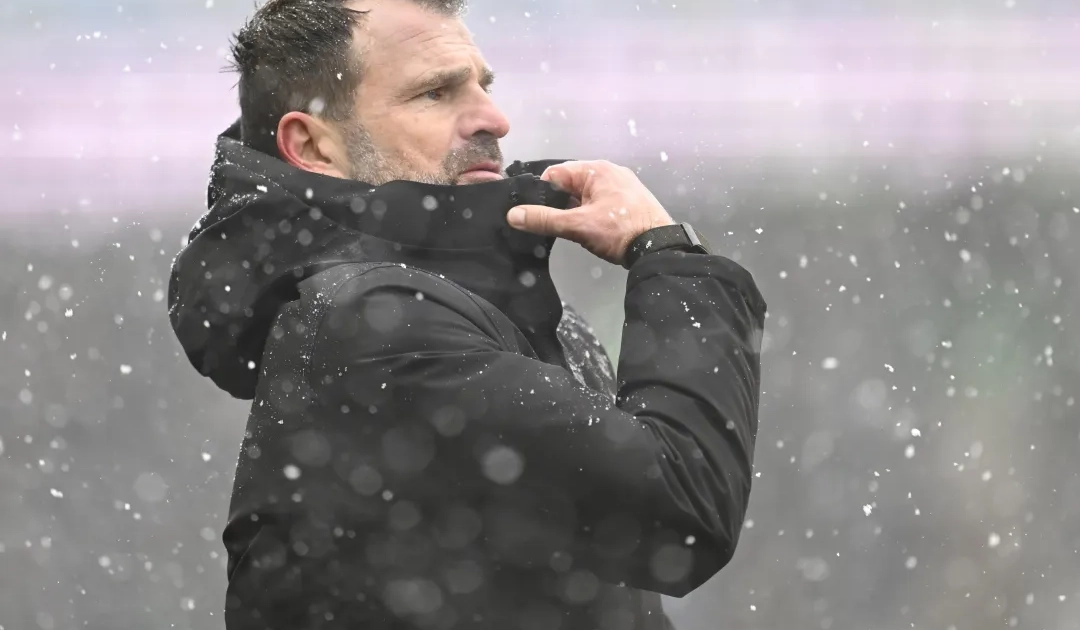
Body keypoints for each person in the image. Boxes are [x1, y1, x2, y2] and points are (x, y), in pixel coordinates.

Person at [166, 0, 766, 628]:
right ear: (312, 145)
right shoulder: (376, 325)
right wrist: (669, 254)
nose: (494, 119)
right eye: (435, 93)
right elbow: (681, 510)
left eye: (484, 86)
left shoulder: (475, 317)